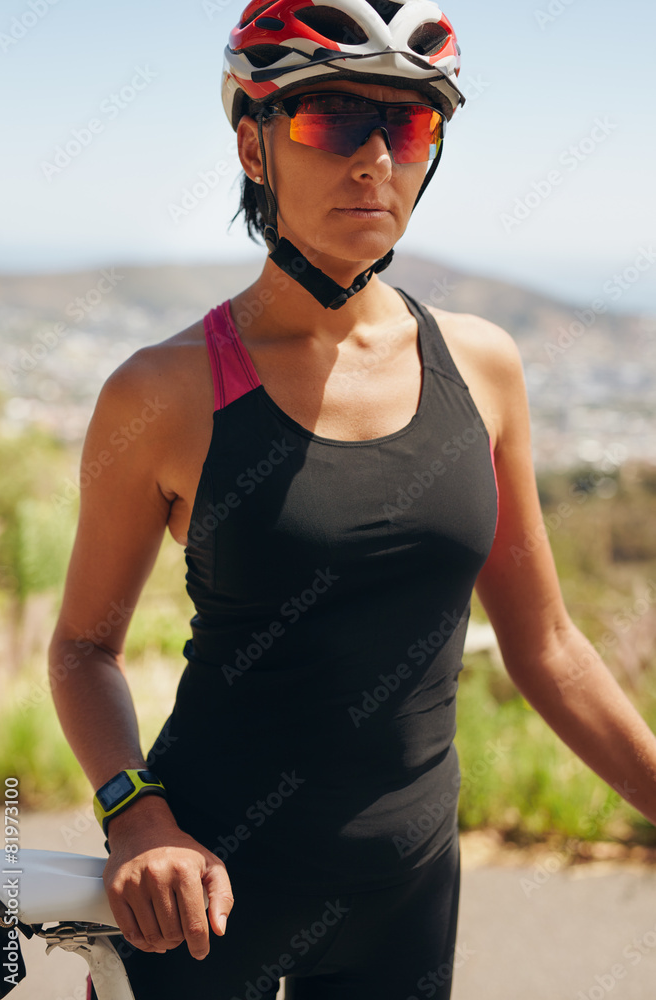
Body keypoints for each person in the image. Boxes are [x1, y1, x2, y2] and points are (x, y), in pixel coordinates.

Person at [48, 2, 656, 998]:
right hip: (200, 903)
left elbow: (546, 645)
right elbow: (82, 648)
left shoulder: (483, 367)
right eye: (330, 121)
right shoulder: (161, 392)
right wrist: (136, 815)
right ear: (253, 145)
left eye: (406, 125)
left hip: (409, 898)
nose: (372, 159)